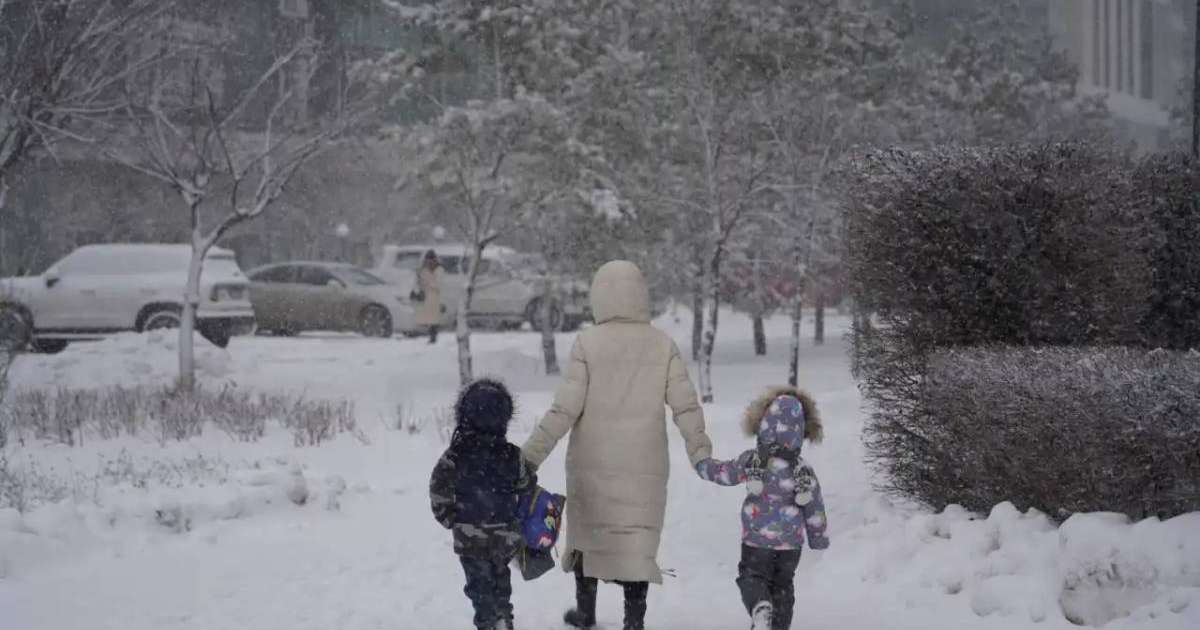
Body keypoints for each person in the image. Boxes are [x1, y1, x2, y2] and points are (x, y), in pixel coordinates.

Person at [521, 260, 713, 630]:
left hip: (593, 463)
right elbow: (686, 404)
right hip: (645, 465)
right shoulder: (662, 344)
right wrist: (699, 451)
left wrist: (529, 456)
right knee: (635, 540)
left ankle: (586, 613)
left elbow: (565, 408)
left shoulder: (587, 344)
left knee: (588, 536)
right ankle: (634, 619)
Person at [695, 386, 830, 630]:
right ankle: (777, 625)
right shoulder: (804, 469)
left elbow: (725, 473)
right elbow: (814, 506)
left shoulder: (753, 460)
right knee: (783, 585)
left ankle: (760, 607)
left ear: (764, 423)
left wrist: (703, 465)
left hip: (757, 541)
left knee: (751, 577)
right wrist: (818, 538)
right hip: (790, 546)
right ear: (801, 430)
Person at [430, 379, 536, 630]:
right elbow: (525, 485)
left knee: (478, 585)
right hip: (504, 534)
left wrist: (448, 517)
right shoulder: (511, 454)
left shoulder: (455, 455)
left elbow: (438, 489)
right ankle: (503, 616)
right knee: (501, 580)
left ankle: (488, 621)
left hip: (470, 537)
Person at [415, 250, 443, 344]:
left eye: (431, 260)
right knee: (429, 318)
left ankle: (433, 337)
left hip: (436, 297)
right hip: (427, 297)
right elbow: (420, 283)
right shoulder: (424, 270)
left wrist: (428, 282)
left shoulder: (439, 270)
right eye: (428, 260)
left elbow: (438, 284)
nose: (429, 262)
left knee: (434, 318)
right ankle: (431, 336)